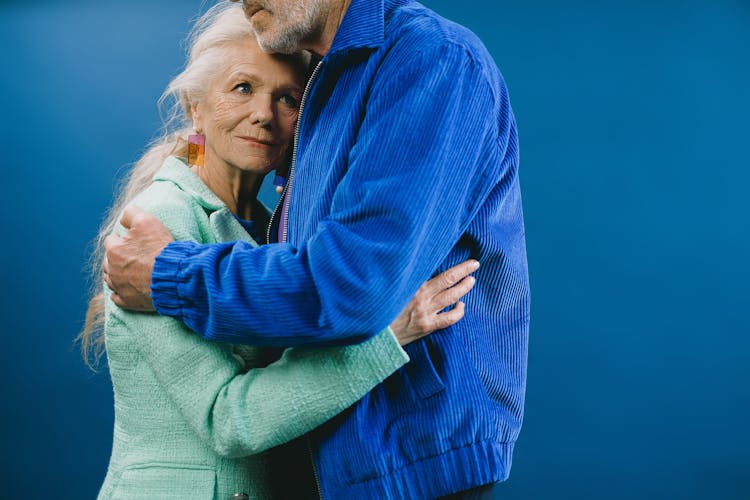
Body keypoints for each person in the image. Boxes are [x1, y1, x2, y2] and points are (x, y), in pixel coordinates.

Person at [104, 0, 530, 497]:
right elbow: (228, 417)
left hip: (409, 458)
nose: (264, 115)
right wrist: (389, 333)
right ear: (194, 107)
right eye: (241, 88)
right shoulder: (161, 220)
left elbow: (354, 287)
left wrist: (168, 275)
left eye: (287, 99)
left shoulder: (429, 58)